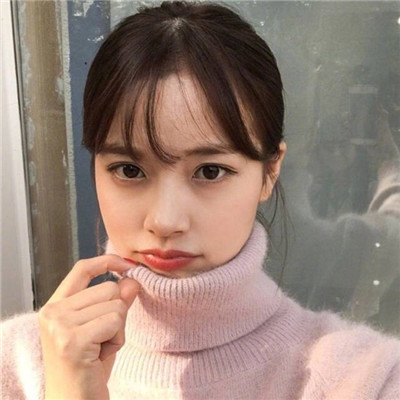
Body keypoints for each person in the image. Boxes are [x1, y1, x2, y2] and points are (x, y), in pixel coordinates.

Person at [1, 1, 399, 399]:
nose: (165, 220)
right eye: (129, 170)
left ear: (270, 172)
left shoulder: (365, 378)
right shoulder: (19, 364)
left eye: (210, 171)